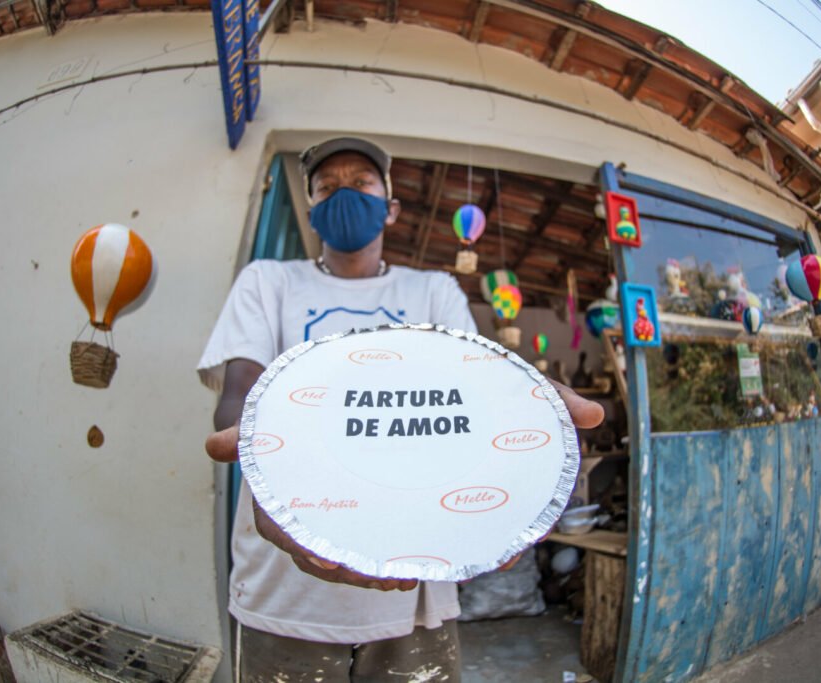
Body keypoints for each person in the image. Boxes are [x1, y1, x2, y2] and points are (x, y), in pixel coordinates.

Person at [199, 137, 604, 682]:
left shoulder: (433, 291)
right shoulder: (269, 282)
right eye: (327, 186)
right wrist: (249, 441)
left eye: (362, 183)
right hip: (283, 593)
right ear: (313, 211)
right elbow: (239, 395)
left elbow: (477, 391)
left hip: (415, 593)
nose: (345, 193)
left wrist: (527, 405)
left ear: (390, 207)